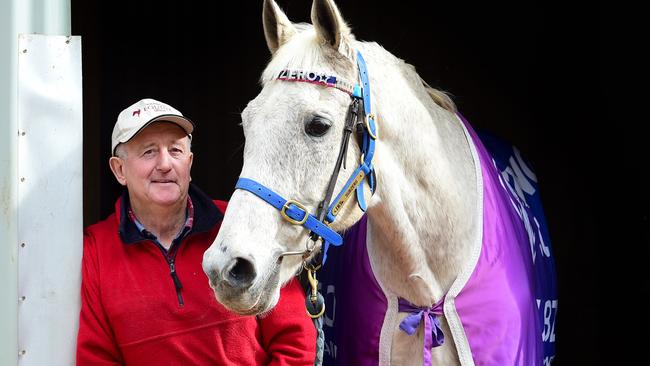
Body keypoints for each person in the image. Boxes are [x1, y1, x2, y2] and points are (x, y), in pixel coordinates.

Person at [76, 98, 316, 365]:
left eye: (176, 150)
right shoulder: (95, 250)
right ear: (119, 170)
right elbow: (96, 358)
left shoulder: (240, 225)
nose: (165, 164)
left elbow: (296, 344)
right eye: (149, 152)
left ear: (189, 163)